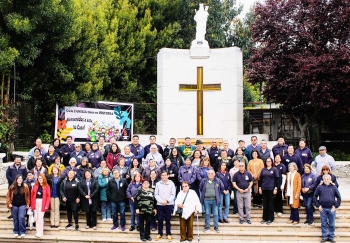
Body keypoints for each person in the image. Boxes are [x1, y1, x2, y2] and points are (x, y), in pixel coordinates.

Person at [313, 174, 341, 243]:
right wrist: (318, 206)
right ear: (323, 180)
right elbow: (314, 197)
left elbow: (339, 197)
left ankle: (331, 237)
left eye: (327, 179)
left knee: (332, 224)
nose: (326, 180)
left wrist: (336, 206)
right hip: (323, 209)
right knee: (323, 224)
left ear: (330, 180)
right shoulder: (319, 187)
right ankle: (324, 237)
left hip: (332, 209)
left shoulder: (334, 187)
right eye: (325, 179)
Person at [154, 171, 176, 241]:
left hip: (169, 204)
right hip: (160, 205)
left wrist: (167, 201)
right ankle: (160, 233)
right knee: (160, 220)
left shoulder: (171, 183)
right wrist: (161, 201)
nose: (164, 176)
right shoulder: (158, 184)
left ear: (167, 176)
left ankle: (168, 234)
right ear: (161, 176)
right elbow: (156, 194)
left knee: (168, 220)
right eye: (162, 175)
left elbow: (173, 194)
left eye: (165, 175)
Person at [259, 158, 279, 225]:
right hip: (264, 189)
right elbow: (260, 179)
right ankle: (264, 218)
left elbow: (277, 179)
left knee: (271, 204)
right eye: (267, 161)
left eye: (269, 161)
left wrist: (276, 188)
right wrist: (260, 188)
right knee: (265, 204)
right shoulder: (263, 169)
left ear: (272, 162)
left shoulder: (274, 169)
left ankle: (270, 219)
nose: (268, 162)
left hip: (271, 189)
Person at [30, 174, 50, 238]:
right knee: (36, 217)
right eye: (39, 178)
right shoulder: (35, 186)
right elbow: (32, 195)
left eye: (41, 178)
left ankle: (41, 232)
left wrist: (46, 205)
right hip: (36, 202)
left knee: (40, 218)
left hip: (42, 202)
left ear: (43, 179)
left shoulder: (46, 186)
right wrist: (32, 204)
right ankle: (37, 231)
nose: (40, 180)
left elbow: (48, 196)